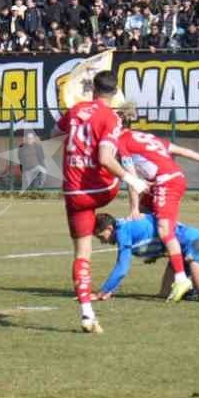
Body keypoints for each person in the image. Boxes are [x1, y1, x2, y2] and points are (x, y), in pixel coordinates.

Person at [58, 70, 146, 334]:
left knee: (82, 255)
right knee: (124, 161)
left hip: (73, 192)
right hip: (102, 189)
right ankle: (134, 211)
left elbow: (55, 131)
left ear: (92, 89)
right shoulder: (110, 117)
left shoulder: (75, 111)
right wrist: (133, 180)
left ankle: (87, 313)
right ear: (115, 92)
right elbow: (106, 159)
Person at [112, 120, 199, 302]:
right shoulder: (146, 137)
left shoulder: (121, 141)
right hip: (169, 179)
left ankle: (182, 278)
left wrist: (133, 209)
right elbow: (182, 150)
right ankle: (162, 252)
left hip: (166, 181)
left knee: (163, 228)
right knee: (148, 216)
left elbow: (131, 177)